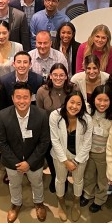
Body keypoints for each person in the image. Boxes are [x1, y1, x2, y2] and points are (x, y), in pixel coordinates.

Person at [0, 82, 50, 223]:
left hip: (35, 161)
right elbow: (1, 142)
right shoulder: (3, 115)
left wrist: (29, 163)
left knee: (37, 183)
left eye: (25, 97)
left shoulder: (42, 115)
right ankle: (16, 204)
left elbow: (44, 142)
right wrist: (16, 163)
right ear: (12, 98)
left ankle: (38, 202)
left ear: (31, 97)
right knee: (14, 184)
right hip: (12, 162)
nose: (22, 101)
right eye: (18, 97)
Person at [50, 91, 93, 222]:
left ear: (82, 106)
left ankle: (76, 203)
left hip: (79, 155)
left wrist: (76, 161)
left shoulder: (87, 119)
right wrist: (64, 160)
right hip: (60, 155)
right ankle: (61, 203)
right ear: (66, 102)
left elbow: (87, 143)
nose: (74, 106)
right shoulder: (55, 115)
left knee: (78, 181)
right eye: (72, 102)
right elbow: (55, 140)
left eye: (78, 104)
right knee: (60, 179)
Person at [36, 63, 77, 193]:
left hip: (69, 131)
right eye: (55, 75)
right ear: (50, 76)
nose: (58, 78)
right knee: (51, 158)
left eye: (61, 75)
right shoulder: (42, 91)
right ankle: (55, 176)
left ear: (66, 77)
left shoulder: (73, 90)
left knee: (65, 157)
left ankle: (64, 179)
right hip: (49, 132)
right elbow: (39, 113)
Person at [80, 85, 112, 213]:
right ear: (93, 99)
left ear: (111, 101)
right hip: (88, 151)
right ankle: (87, 194)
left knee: (102, 179)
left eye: (106, 100)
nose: (102, 104)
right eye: (99, 100)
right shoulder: (87, 111)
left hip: (104, 154)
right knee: (88, 175)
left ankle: (100, 199)